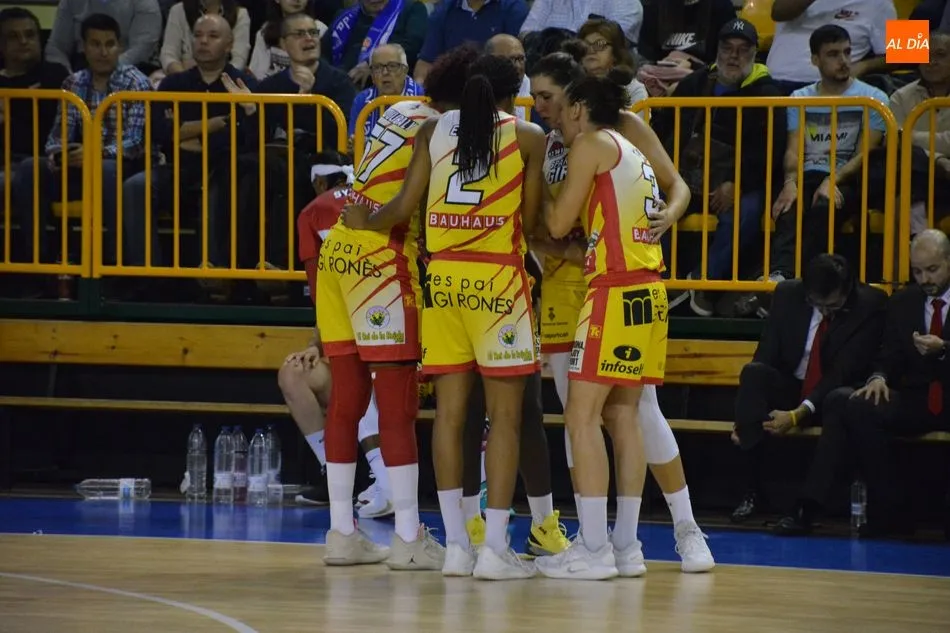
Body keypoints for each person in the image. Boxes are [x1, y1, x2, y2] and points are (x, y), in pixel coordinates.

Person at [343, 54, 546, 580]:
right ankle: (496, 548)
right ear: (510, 93)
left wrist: (366, 221)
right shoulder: (527, 136)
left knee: (450, 417)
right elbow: (530, 223)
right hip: (498, 281)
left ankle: (456, 545)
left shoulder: (432, 129)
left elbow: (401, 208)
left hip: (443, 281)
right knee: (503, 418)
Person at [529, 52, 713, 575]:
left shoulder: (591, 143)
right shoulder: (626, 149)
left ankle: (594, 550)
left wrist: (529, 196)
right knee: (624, 415)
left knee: (583, 417)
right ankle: (626, 548)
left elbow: (561, 221)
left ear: (581, 105)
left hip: (611, 290)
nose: (555, 115)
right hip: (646, 290)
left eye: (559, 104)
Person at [316, 44, 483, 571]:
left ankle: (342, 532)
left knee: (345, 399)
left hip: (336, 254)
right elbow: (419, 207)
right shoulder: (445, 132)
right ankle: (408, 537)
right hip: (382, 261)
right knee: (396, 404)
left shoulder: (397, 110)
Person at [802, 230, 950, 537]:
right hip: (918, 398)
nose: (924, 279)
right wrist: (879, 377)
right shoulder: (903, 302)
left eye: (932, 270)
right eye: (917, 271)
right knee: (857, 406)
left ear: (949, 261)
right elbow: (889, 355)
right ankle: (891, 514)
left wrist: (944, 349)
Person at [729, 254, 886, 526]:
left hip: (832, 398)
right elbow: (766, 354)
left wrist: (799, 413)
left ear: (847, 290)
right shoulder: (788, 295)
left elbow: (841, 372)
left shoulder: (869, 304)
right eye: (818, 304)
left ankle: (805, 509)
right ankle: (752, 491)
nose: (825, 311)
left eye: (833, 305)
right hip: (793, 386)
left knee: (840, 400)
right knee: (754, 374)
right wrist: (746, 415)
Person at [279, 151, 393, 518]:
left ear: (317, 182)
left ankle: (383, 480)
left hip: (368, 329)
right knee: (297, 372)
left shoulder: (312, 212)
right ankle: (342, 475)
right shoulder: (384, 199)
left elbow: (324, 291)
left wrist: (324, 341)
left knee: (352, 382)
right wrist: (316, 344)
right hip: (399, 321)